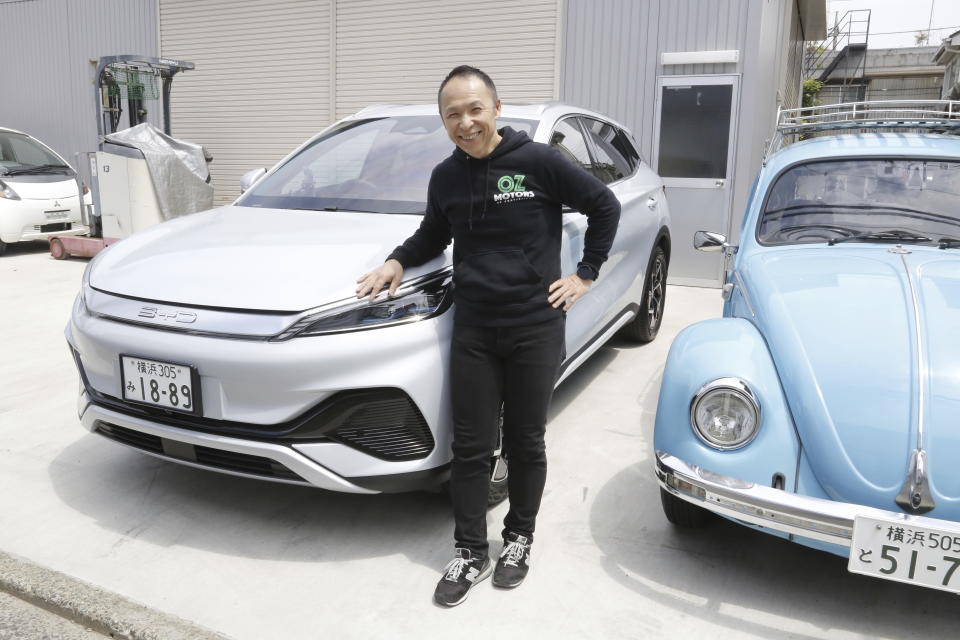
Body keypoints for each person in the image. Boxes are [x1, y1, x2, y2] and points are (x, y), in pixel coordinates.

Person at [356, 66, 620, 607]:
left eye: (474, 109)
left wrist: (585, 274)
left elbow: (604, 205)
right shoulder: (445, 177)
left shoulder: (539, 162)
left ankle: (519, 538)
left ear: (496, 108)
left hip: (534, 326)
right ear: (444, 121)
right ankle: (471, 550)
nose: (465, 122)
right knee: (471, 447)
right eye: (452, 114)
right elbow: (433, 232)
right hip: (475, 327)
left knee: (525, 442)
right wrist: (396, 262)